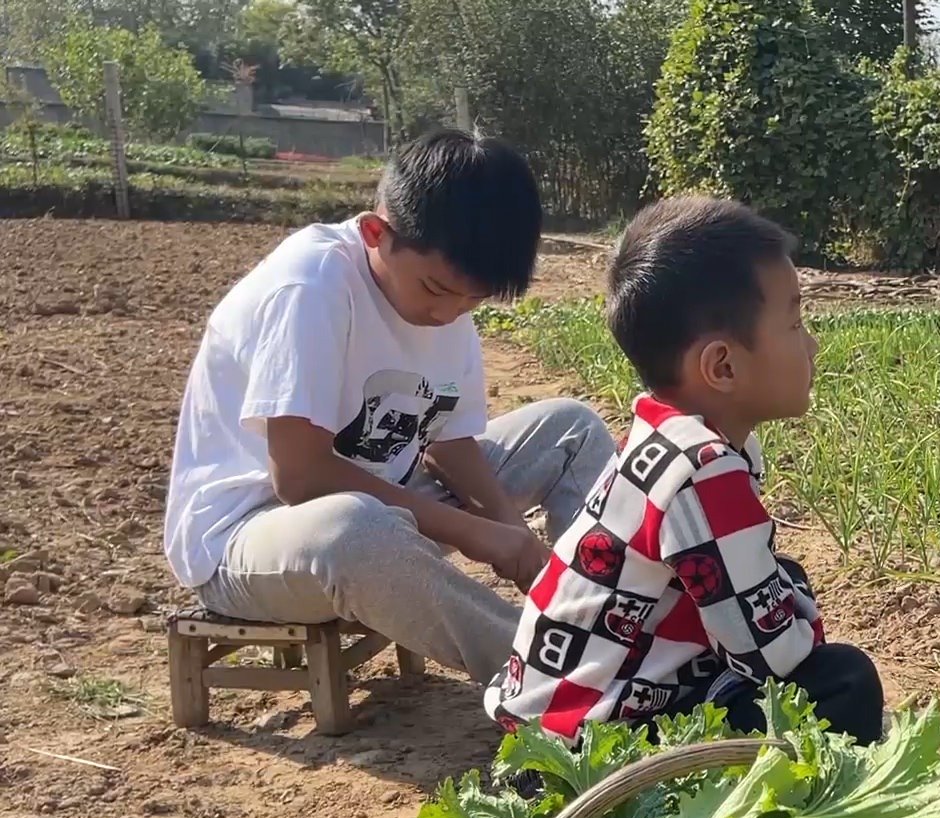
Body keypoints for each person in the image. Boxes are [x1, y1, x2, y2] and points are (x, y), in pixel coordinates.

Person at [162, 129, 615, 685]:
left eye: (473, 300)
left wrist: (506, 526)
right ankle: (560, 675)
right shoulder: (311, 286)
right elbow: (299, 478)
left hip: (388, 507)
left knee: (571, 431)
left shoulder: (444, 297)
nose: (450, 314)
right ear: (377, 233)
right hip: (256, 542)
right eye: (436, 290)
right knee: (356, 529)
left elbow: (448, 443)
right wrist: (475, 533)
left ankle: (605, 620)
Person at [488, 195, 885, 746]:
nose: (811, 343)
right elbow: (773, 657)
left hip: (552, 728)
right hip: (590, 756)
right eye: (795, 323)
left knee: (779, 595)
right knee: (843, 683)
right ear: (722, 365)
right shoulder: (705, 471)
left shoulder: (664, 438)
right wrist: (796, 605)